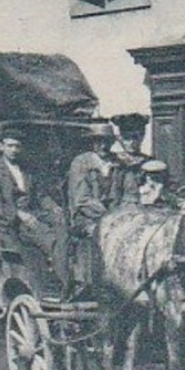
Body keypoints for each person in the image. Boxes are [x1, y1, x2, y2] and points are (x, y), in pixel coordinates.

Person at [0, 126, 69, 309]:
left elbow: (40, 196)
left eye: (17, 146)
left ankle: (67, 278)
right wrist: (18, 214)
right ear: (1, 147)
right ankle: (58, 288)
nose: (14, 150)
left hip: (32, 216)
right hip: (8, 223)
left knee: (65, 227)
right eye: (10, 146)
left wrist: (53, 207)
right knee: (49, 238)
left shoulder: (26, 169)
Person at [65, 123, 116, 294]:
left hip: (112, 216)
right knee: (98, 234)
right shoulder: (81, 163)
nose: (102, 146)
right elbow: (82, 200)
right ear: (92, 143)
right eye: (97, 141)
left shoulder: (115, 162)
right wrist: (109, 216)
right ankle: (89, 282)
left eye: (106, 141)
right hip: (85, 217)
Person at [108, 113, 153, 205]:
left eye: (135, 137)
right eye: (127, 138)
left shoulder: (150, 162)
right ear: (120, 138)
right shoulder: (115, 163)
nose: (132, 142)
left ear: (142, 137)